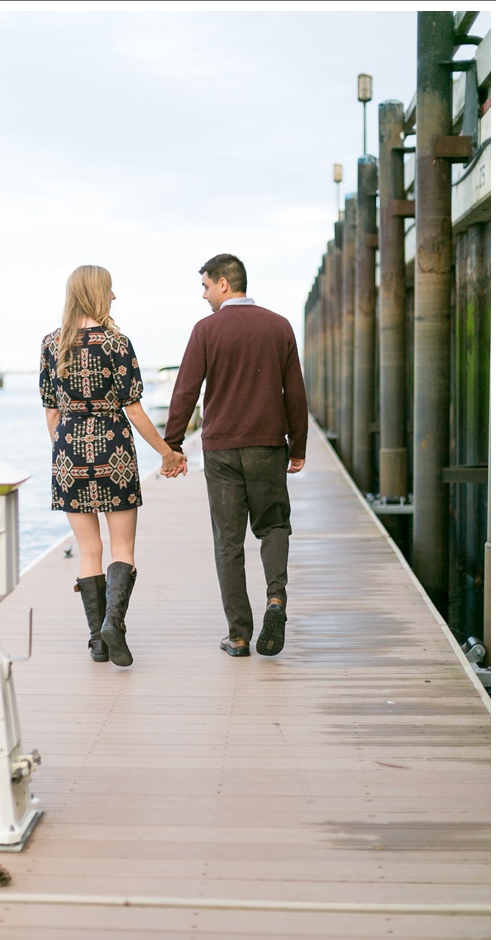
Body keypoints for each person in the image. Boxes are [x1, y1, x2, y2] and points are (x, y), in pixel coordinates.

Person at [39, 264, 187, 667]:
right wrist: (166, 453)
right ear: (94, 294)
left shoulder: (51, 344)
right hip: (114, 452)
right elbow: (135, 411)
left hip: (69, 453)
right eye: (110, 290)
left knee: (89, 549)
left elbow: (51, 413)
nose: (114, 297)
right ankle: (114, 623)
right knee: (122, 547)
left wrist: (65, 453)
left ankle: (97, 642)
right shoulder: (117, 343)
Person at [164, 253, 308, 658]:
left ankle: (239, 635)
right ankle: (276, 600)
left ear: (225, 284)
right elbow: (294, 393)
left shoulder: (206, 330)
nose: (204, 295)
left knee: (228, 541)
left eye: (206, 286)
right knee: (274, 526)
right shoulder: (279, 326)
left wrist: (173, 445)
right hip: (267, 445)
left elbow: (186, 391)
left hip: (222, 449)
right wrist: (298, 447)